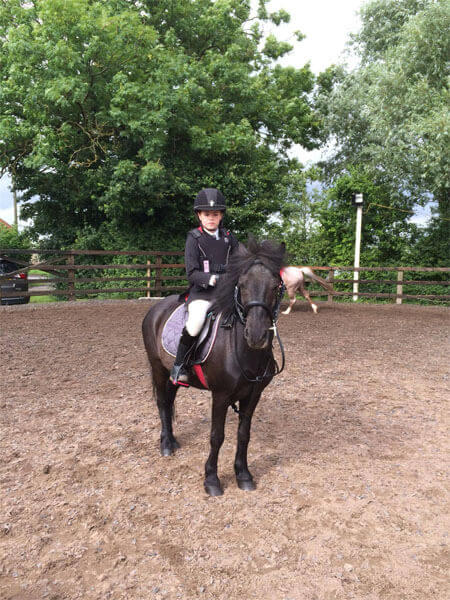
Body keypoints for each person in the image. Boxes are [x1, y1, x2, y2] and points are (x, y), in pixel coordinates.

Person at [170, 188, 239, 385]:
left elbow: (240, 261)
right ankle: (179, 365)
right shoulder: (194, 238)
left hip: (227, 293)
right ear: (199, 215)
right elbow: (191, 273)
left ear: (221, 216)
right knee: (196, 321)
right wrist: (213, 279)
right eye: (207, 214)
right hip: (202, 294)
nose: (211, 218)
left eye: (215, 214)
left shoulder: (229, 237)